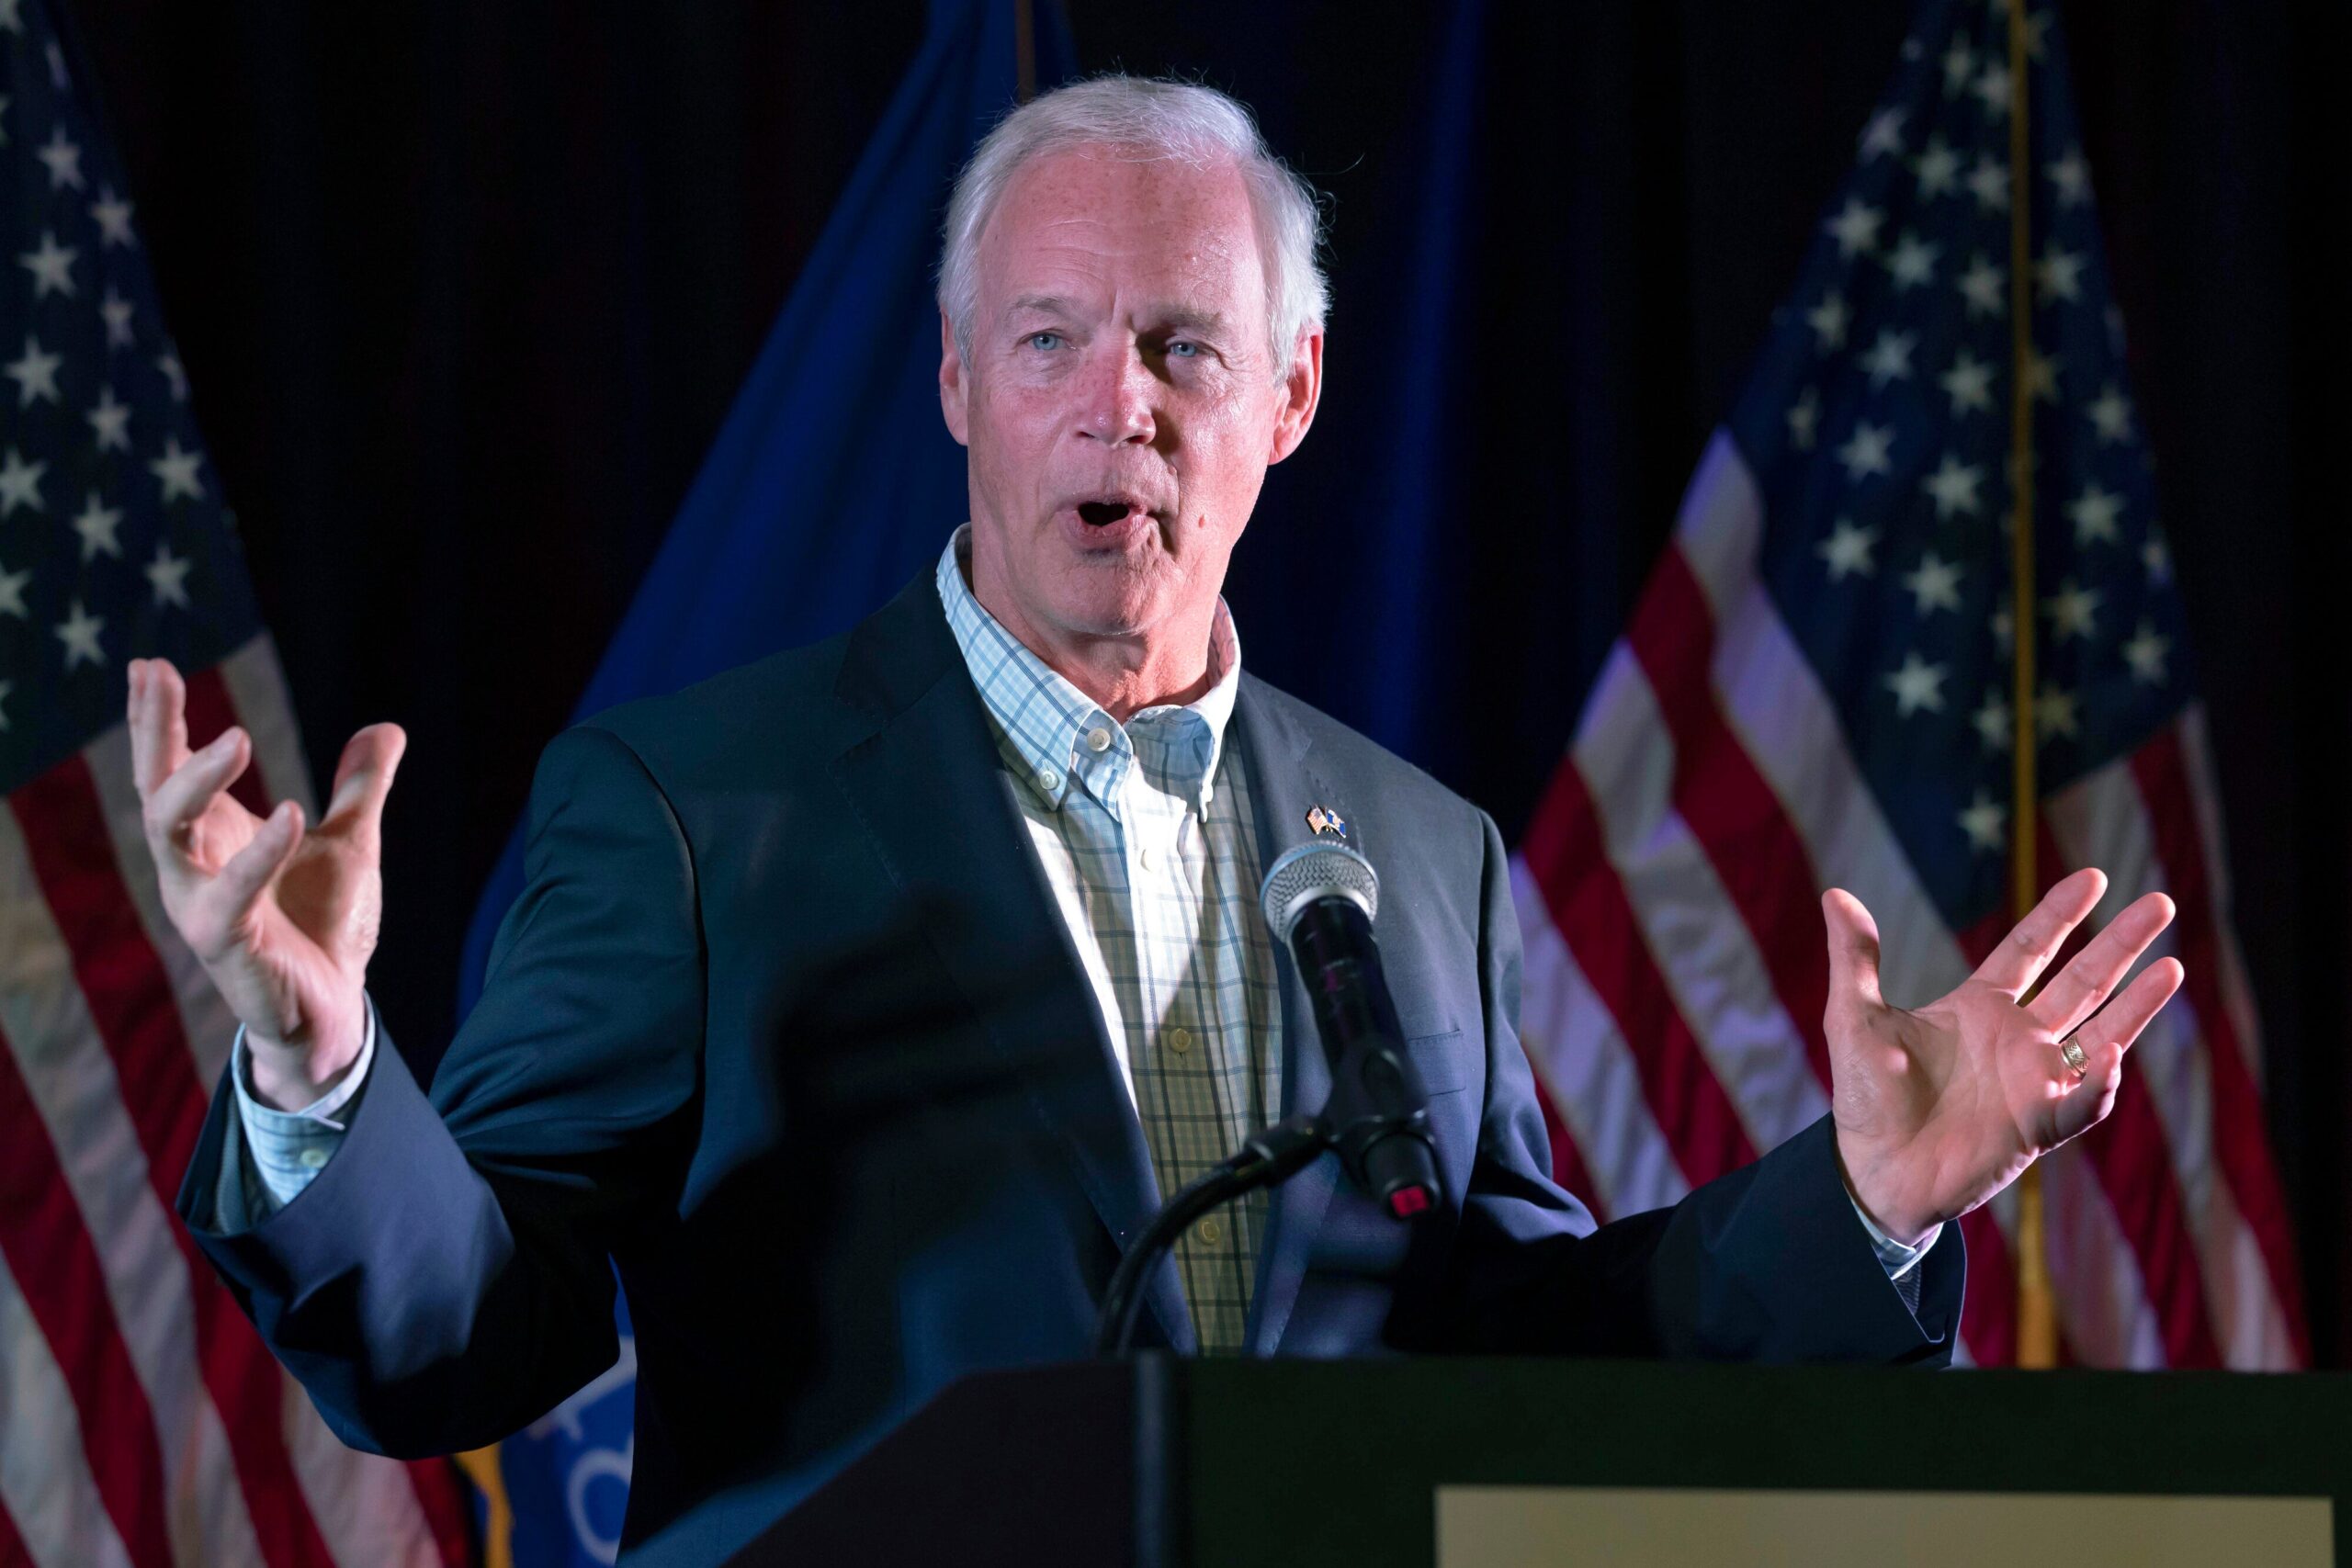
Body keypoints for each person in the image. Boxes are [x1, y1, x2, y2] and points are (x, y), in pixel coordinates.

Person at [144, 77, 2180, 1566]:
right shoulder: (693, 812)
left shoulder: (1421, 851)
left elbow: (1519, 1349)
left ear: (1288, 395)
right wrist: (323, 1070)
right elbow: (469, 1337)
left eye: (1180, 345)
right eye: (1046, 341)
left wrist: (1865, 1199)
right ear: (954, 382)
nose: (1114, 400)